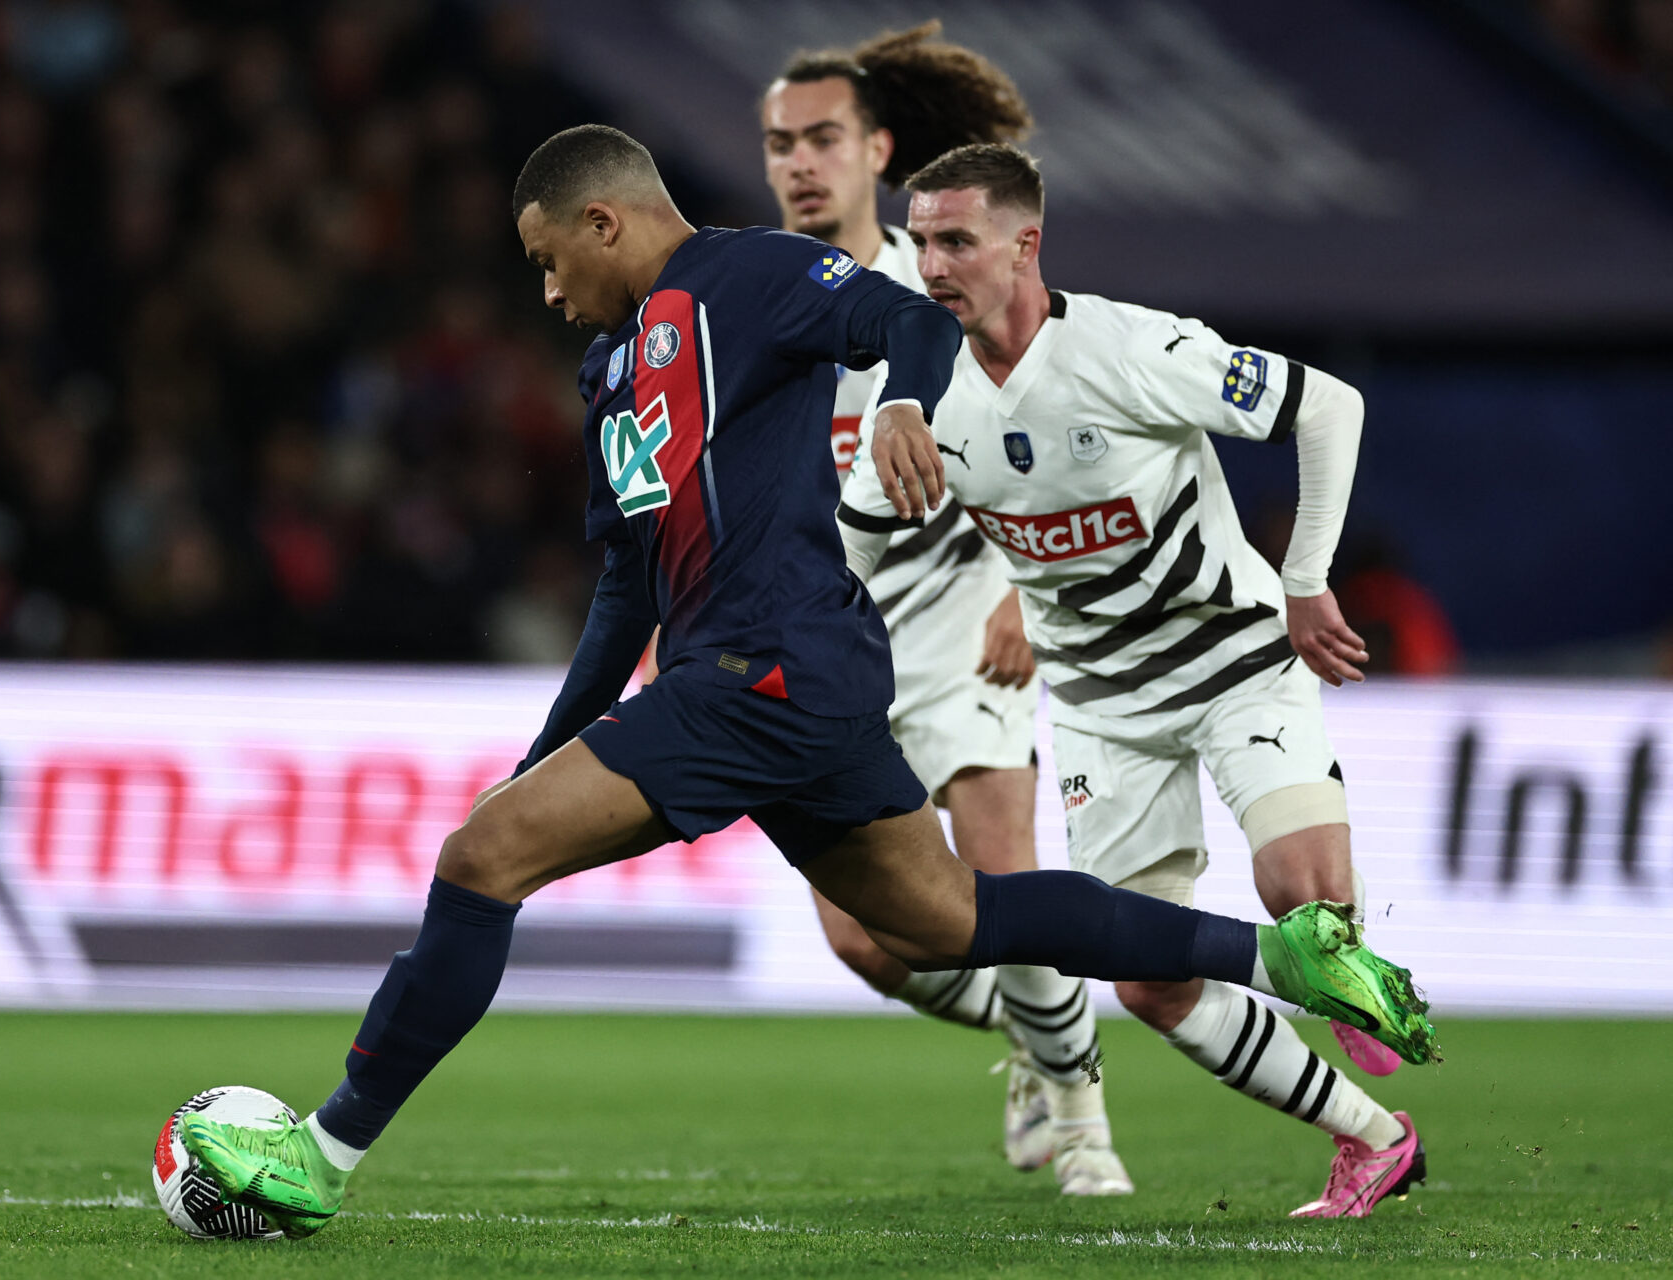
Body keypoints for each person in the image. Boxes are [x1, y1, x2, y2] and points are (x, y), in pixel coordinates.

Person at [173, 125, 1433, 1239]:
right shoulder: (612, 375)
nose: (549, 291)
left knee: (476, 863)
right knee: (955, 922)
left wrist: (907, 408)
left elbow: (908, 320)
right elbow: (627, 585)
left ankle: (319, 1154)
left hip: (765, 668)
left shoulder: (747, 275)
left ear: (605, 220)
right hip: (783, 679)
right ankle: (1286, 958)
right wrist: (546, 748)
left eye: (552, 259)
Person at [837, 143, 1428, 1219]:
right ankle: (1373, 1139)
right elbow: (855, 544)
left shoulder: (1133, 348)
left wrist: (1304, 581)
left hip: (1233, 657)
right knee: (1148, 982)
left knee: (1304, 903)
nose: (930, 263)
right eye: (920, 239)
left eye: (955, 240)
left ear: (1026, 245)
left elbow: (1327, 406)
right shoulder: (917, 397)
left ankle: (1341, 963)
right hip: (1105, 709)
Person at [759, 25, 1123, 1193]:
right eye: (779, 143)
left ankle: (1084, 1128)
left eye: (822, 138)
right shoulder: (743, 300)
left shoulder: (942, 277)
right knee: (869, 937)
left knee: (1003, 870)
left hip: (962, 615)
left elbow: (1051, 440)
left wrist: (1029, 585)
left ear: (878, 149)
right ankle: (1037, 1036)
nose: (799, 163)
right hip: (823, 650)